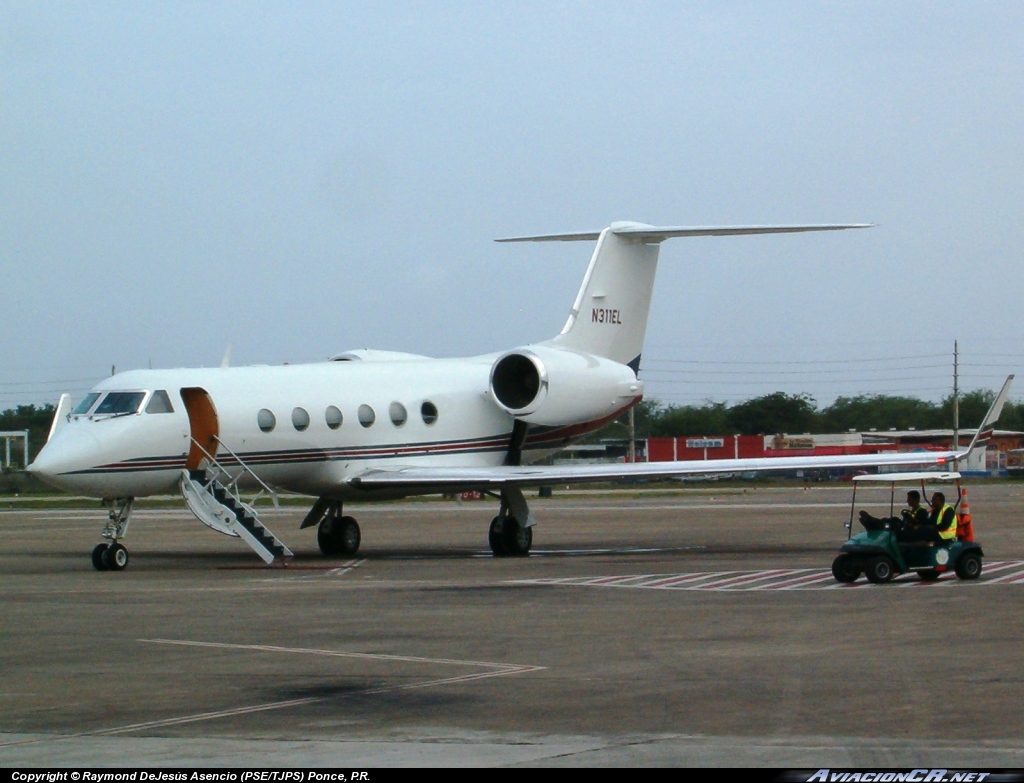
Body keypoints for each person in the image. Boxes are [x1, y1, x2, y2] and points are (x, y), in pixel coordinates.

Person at [859, 490, 929, 532]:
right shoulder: (912, 511)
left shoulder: (922, 511)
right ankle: (872, 521)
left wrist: (909, 522)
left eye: (909, 499)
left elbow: (919, 525)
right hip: (907, 528)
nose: (907, 500)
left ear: (916, 499)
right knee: (893, 519)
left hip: (912, 532)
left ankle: (872, 522)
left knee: (895, 521)